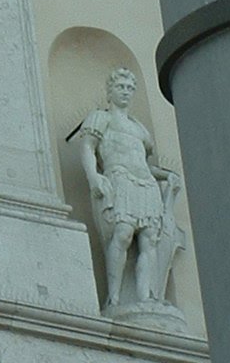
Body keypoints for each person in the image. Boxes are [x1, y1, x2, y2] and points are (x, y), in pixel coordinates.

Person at [78, 67, 184, 310]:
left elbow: (144, 163)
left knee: (149, 240)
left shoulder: (139, 129)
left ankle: (146, 296)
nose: (125, 92)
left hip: (145, 183)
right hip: (120, 179)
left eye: (129, 88)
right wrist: (93, 177)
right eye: (120, 87)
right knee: (123, 234)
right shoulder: (100, 118)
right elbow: (87, 148)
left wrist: (167, 176)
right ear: (110, 91)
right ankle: (114, 298)